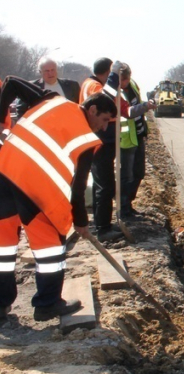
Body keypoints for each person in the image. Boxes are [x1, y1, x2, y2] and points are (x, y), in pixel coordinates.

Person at [0, 77, 117, 322]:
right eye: (105, 120)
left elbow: (10, 83)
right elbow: (77, 190)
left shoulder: (53, 101)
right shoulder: (85, 139)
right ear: (93, 109)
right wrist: (81, 222)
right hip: (32, 191)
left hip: (4, 172)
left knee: (3, 247)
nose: (105, 128)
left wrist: (1, 120)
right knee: (52, 249)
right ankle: (47, 304)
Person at [79, 58, 125, 242]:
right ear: (106, 72)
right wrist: (114, 75)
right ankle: (103, 228)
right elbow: (107, 98)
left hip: (101, 141)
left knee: (104, 184)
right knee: (104, 185)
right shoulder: (94, 86)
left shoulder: (89, 84)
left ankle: (103, 223)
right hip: (100, 142)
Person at [110, 63, 153, 219]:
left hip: (138, 134)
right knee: (126, 176)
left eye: (127, 79)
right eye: (123, 80)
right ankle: (123, 208)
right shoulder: (114, 91)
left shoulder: (133, 85)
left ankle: (129, 203)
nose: (126, 82)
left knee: (139, 173)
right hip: (125, 140)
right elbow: (128, 112)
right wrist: (146, 106)